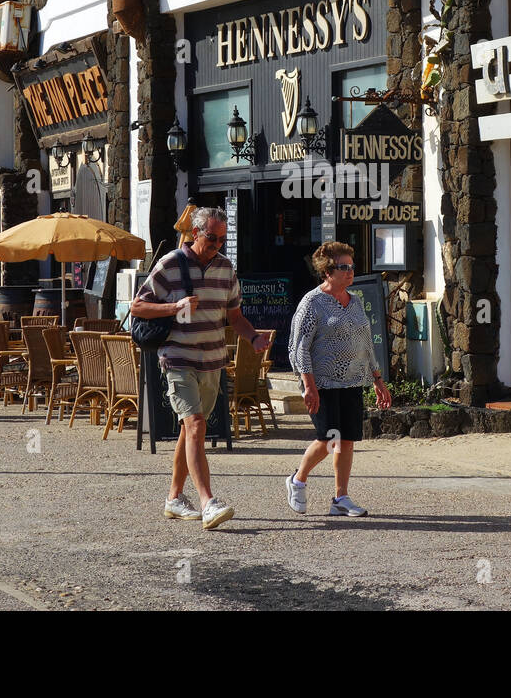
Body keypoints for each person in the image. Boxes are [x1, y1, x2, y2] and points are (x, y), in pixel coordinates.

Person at [131, 206, 269, 531]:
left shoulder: (226, 269)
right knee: (194, 425)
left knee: (190, 428)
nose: (217, 244)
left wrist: (252, 337)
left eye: (222, 239)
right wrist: (173, 307)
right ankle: (208, 502)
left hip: (212, 360)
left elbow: (234, 316)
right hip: (177, 358)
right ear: (196, 233)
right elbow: (137, 306)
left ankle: (174, 498)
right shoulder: (169, 264)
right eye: (211, 238)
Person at [285, 241, 391, 517]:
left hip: (353, 381)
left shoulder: (354, 301)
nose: (350, 271)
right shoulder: (312, 303)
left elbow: (366, 342)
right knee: (329, 439)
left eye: (351, 266)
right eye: (343, 267)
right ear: (327, 271)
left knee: (347, 440)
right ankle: (298, 479)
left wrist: (377, 379)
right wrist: (308, 385)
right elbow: (299, 348)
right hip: (323, 383)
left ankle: (341, 498)